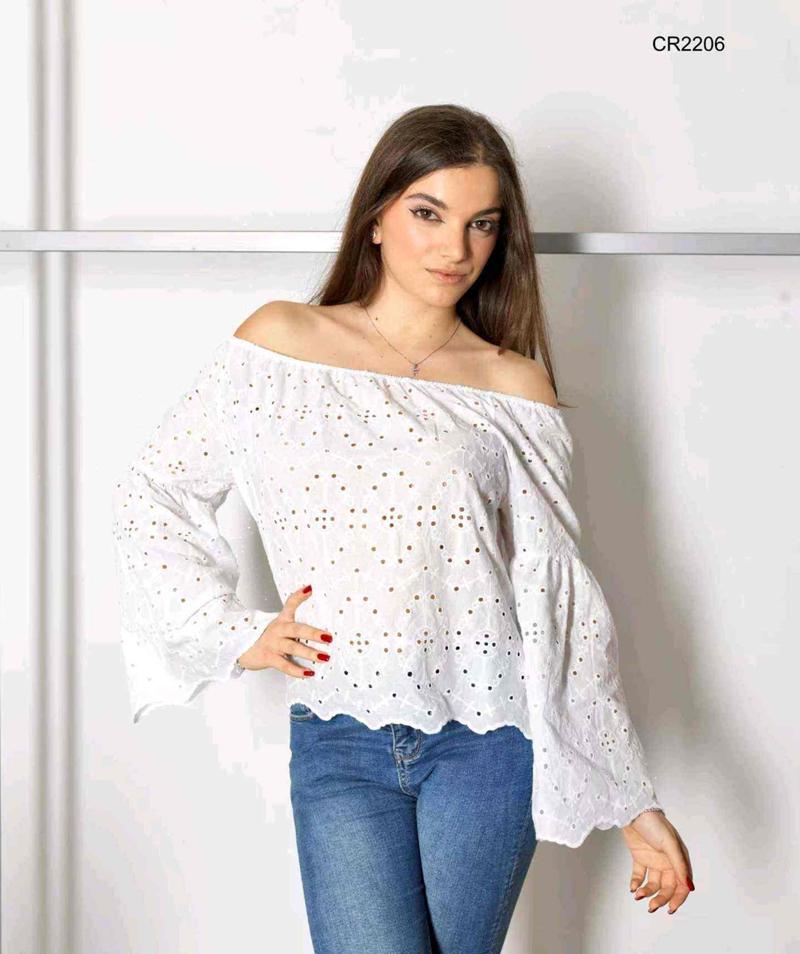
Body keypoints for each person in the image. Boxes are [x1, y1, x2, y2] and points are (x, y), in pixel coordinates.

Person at [111, 103, 695, 953]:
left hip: (489, 741)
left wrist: (632, 802)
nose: (455, 248)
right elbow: (155, 489)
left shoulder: (513, 386)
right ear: (377, 217)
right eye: (429, 213)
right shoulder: (279, 345)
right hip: (338, 735)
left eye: (481, 224)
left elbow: (556, 599)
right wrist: (232, 631)